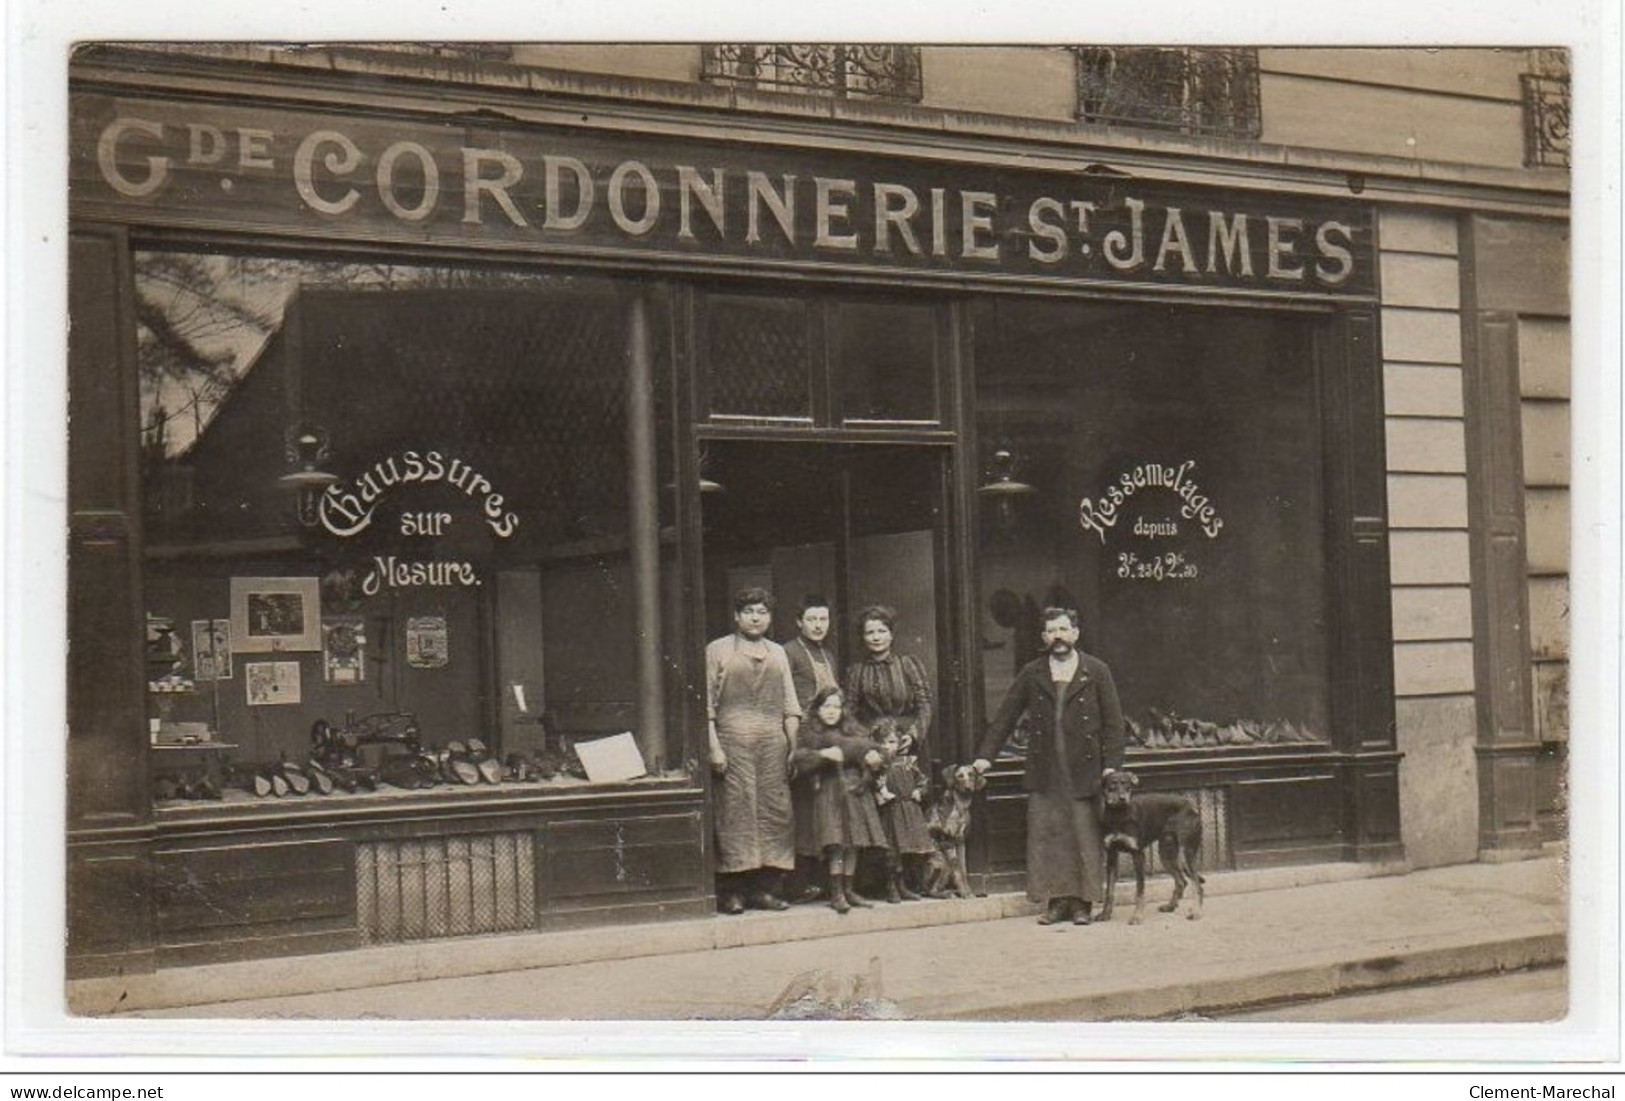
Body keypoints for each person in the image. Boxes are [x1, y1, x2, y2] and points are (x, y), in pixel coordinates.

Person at [973, 606, 1126, 927]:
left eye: (1063, 629)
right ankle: (1056, 903)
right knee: (1049, 836)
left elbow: (1114, 724)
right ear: (1044, 637)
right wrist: (986, 755)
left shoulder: (1096, 671)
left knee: (1083, 836)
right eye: (1051, 631)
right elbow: (1006, 716)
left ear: (1075, 633)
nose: (1058, 636)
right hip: (1045, 769)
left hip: (1084, 770)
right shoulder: (1033, 672)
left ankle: (1082, 902)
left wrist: (1112, 766)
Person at [706, 587, 802, 914]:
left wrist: (794, 747)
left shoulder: (778, 653)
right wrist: (714, 747)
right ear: (736, 616)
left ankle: (766, 889)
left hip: (773, 745)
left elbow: (790, 705)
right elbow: (706, 706)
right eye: (749, 611)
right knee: (735, 813)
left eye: (762, 611)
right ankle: (732, 891)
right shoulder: (717, 650)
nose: (755, 617)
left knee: (776, 815)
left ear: (770, 617)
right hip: (733, 742)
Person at [788, 686, 888, 914]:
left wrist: (875, 758)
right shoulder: (810, 733)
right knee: (837, 842)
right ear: (817, 709)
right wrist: (823, 755)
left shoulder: (853, 730)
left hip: (854, 791)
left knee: (853, 841)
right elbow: (799, 759)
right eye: (826, 706)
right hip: (829, 792)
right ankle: (836, 892)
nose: (832, 711)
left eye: (836, 706)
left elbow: (874, 751)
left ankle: (849, 889)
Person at [783, 594, 842, 902]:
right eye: (812, 619)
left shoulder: (829, 655)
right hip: (804, 735)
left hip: (829, 734)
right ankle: (797, 884)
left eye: (823, 619)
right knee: (804, 813)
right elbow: (787, 700)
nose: (819, 625)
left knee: (826, 810)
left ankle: (822, 881)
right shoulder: (789, 653)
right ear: (799, 622)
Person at [843, 604, 934, 764]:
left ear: (891, 635)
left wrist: (913, 735)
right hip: (873, 745)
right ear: (863, 637)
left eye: (882, 631)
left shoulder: (908, 664)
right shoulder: (856, 672)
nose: (876, 637)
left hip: (908, 740)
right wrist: (866, 740)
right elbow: (848, 712)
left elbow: (925, 705)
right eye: (870, 632)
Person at [872, 718, 933, 902]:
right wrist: (880, 792)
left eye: (891, 742)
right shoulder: (878, 766)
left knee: (910, 849)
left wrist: (919, 791)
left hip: (909, 810)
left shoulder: (908, 762)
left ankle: (903, 885)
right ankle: (891, 886)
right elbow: (873, 784)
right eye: (882, 743)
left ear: (899, 742)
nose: (887, 747)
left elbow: (923, 780)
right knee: (893, 851)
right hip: (891, 812)